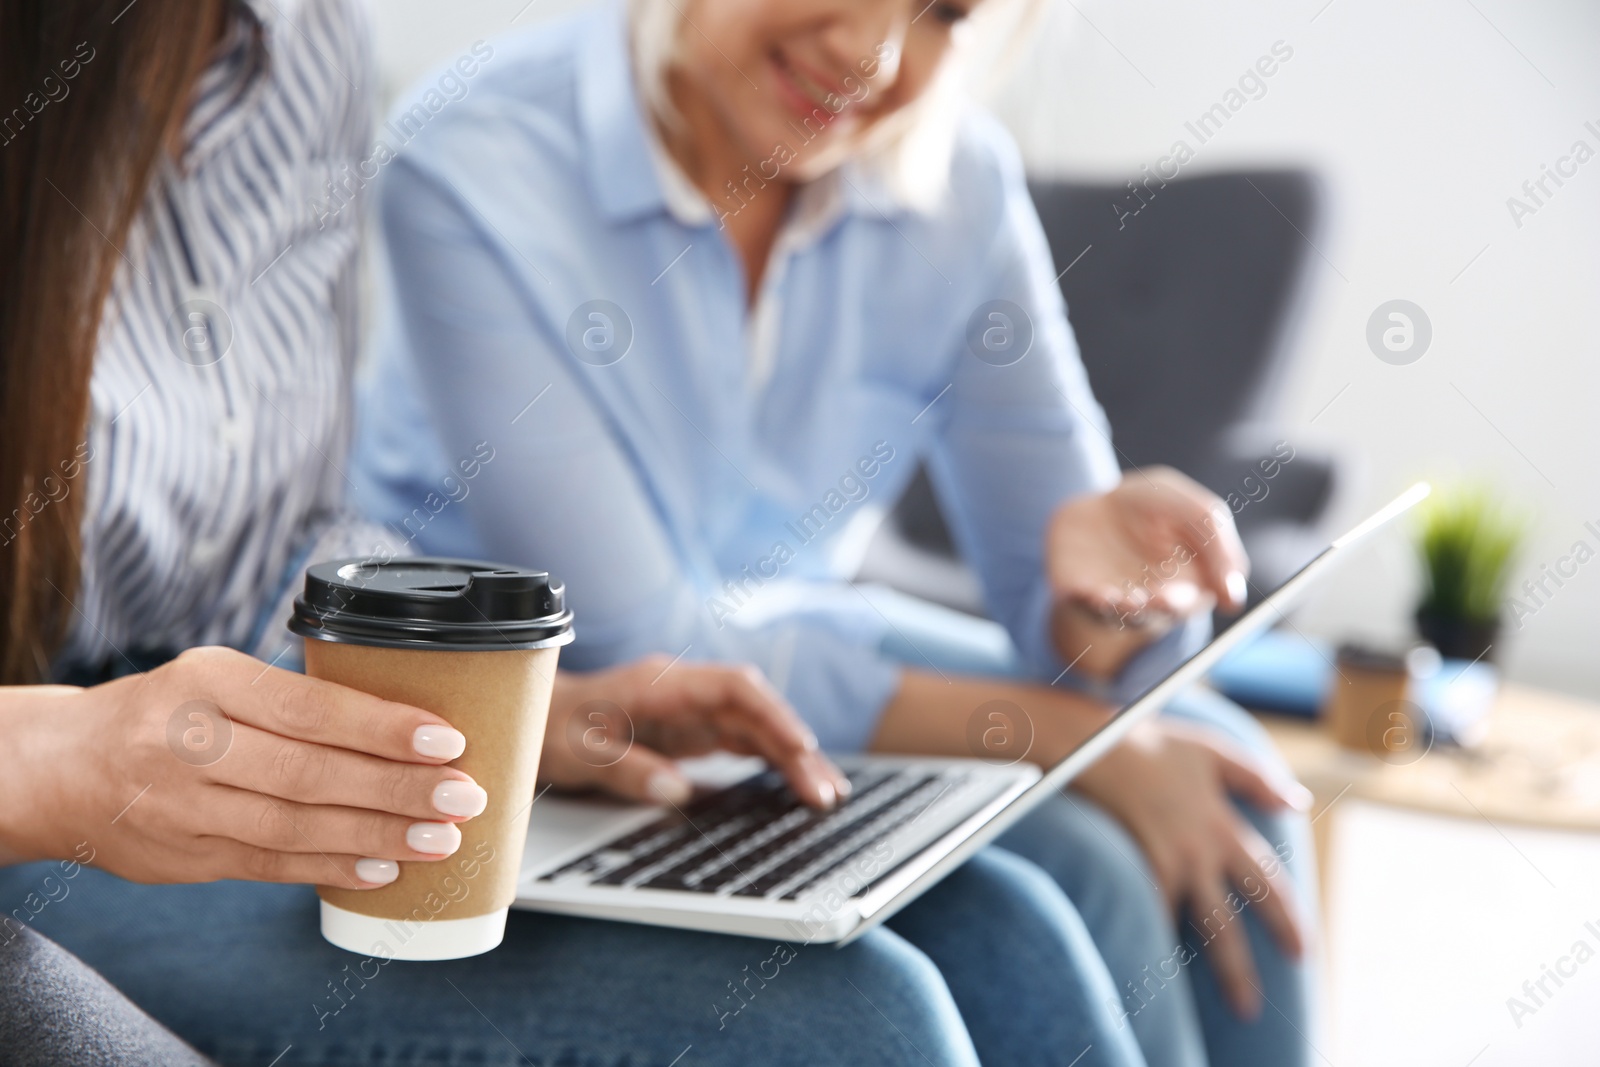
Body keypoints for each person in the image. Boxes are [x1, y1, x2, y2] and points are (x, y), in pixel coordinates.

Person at [0, 1, 1153, 1063]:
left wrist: (513, 718)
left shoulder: (301, 46)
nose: (874, 54)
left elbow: (275, 550)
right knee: (859, 1018)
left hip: (248, 742)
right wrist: (73, 757)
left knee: (1010, 927)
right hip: (40, 828)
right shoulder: (477, 148)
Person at [356, 0, 1320, 1064]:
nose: (876, 59)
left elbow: (1081, 639)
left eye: (946, 13)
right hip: (549, 710)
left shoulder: (958, 184)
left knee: (1227, 758)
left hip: (786, 654)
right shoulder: (473, 160)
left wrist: (1107, 606)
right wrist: (1077, 741)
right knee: (1086, 851)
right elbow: (639, 647)